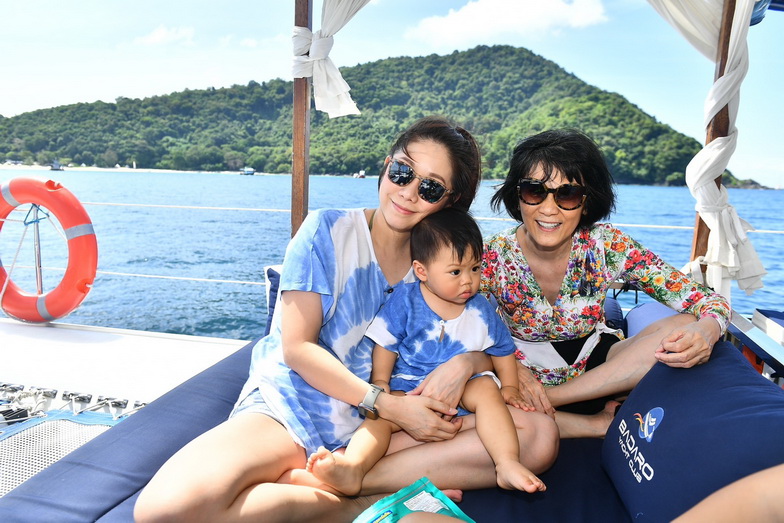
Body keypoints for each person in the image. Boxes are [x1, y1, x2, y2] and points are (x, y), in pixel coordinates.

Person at [134, 117, 559, 523]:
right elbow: (297, 349)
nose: (408, 192)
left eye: (430, 188)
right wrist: (388, 405)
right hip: (303, 403)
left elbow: (479, 342)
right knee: (166, 510)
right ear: (386, 165)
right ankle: (361, 503)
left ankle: (351, 481)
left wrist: (466, 363)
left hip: (384, 426)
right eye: (402, 172)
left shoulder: (445, 268)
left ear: (450, 202)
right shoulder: (327, 231)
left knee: (539, 437)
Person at [481, 129, 731, 438]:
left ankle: (552, 403)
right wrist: (512, 370)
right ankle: (593, 424)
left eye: (567, 194)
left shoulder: (609, 246)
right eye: (535, 191)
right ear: (517, 196)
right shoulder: (492, 255)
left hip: (599, 374)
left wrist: (708, 330)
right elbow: (453, 324)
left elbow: (707, 301)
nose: (548, 208)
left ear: (586, 203)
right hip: (519, 380)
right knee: (476, 391)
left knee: (684, 324)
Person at [298, 208, 549, 496]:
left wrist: (510, 387)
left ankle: (506, 462)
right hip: (410, 387)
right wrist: (380, 381)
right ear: (422, 271)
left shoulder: (481, 309)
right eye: (455, 272)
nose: (468, 280)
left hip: (464, 387)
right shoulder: (406, 301)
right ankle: (353, 467)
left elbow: (502, 350)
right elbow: (386, 344)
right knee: (380, 418)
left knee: (487, 391)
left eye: (475, 268)